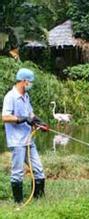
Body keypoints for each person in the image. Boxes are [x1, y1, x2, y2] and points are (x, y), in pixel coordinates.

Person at [1, 68, 48, 204]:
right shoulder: (10, 97)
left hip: (28, 140)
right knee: (18, 173)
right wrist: (22, 119)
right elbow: (5, 117)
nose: (31, 84)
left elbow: (31, 115)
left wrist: (39, 122)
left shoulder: (26, 96)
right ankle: (19, 202)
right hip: (17, 141)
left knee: (38, 170)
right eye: (30, 82)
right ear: (23, 81)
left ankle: (38, 199)